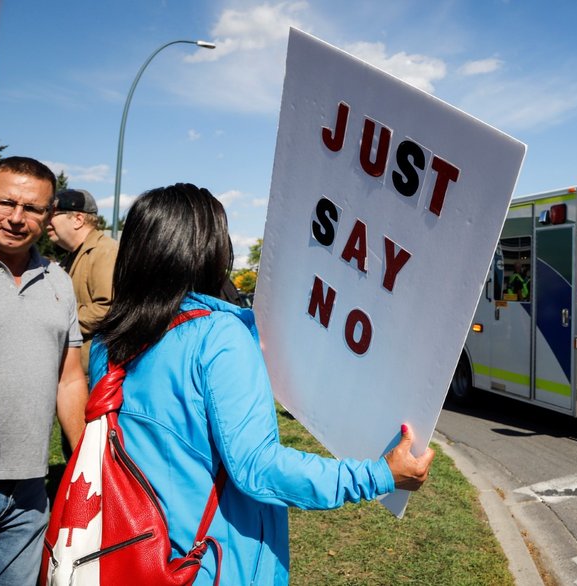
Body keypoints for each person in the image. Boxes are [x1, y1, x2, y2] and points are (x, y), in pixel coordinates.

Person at [88, 183, 434, 584]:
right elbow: (258, 467)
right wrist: (378, 475)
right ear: (209, 251)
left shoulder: (107, 342)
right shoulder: (218, 337)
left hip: (127, 552)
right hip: (209, 566)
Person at [0, 156, 89, 584]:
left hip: (29, 490)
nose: (17, 218)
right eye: (5, 202)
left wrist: (85, 457)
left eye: (32, 208)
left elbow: (69, 378)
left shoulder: (58, 281)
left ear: (49, 214)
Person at [46, 188, 118, 373]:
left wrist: (56, 325)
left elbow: (107, 309)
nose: (46, 221)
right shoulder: (71, 256)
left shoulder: (105, 251)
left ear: (78, 219)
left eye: (53, 214)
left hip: (92, 375)